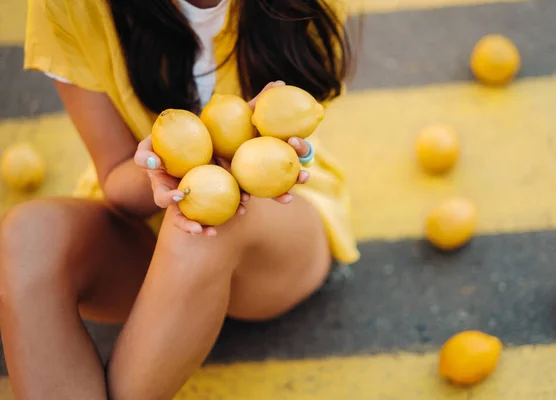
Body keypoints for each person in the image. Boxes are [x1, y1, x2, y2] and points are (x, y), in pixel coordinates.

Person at [0, 0, 360, 398]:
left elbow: (292, 129)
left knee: (209, 216)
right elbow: (116, 175)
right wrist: (164, 172)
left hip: (268, 243)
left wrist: (277, 154)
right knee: (26, 239)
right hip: (145, 235)